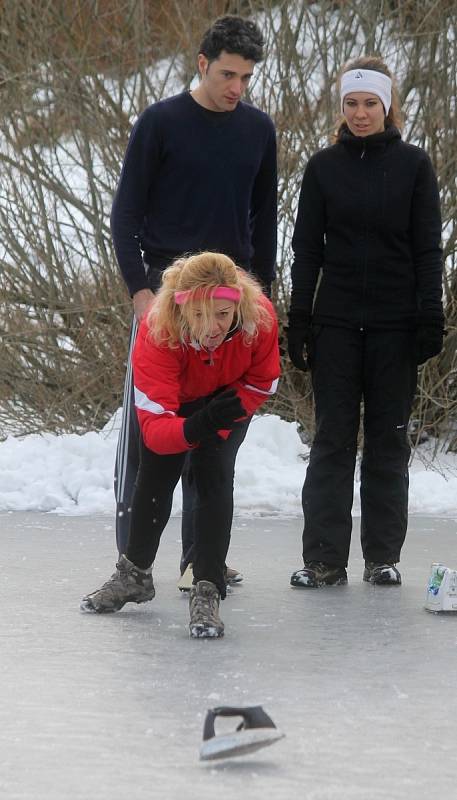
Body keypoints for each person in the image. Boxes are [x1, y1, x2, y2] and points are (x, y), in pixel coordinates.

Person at [110, 15, 277, 589]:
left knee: (215, 442)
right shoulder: (160, 123)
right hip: (167, 304)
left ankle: (199, 559)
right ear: (202, 64)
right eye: (228, 73)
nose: (237, 87)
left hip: (232, 308)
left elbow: (265, 220)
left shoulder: (258, 129)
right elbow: (125, 215)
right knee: (151, 439)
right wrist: (140, 294)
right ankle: (134, 563)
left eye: (246, 77)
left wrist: (262, 301)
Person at [287, 56, 444, 588]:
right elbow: (306, 249)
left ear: (387, 105)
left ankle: (382, 556)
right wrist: (299, 318)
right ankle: (324, 559)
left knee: (388, 439)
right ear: (341, 108)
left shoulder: (414, 166)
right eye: (351, 104)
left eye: (369, 103)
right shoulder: (322, 168)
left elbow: (428, 248)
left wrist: (431, 313)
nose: (360, 113)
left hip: (395, 326)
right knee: (332, 439)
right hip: (334, 323)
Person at [81, 252, 280, 637]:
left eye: (222, 314)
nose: (212, 328)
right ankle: (134, 575)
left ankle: (207, 588)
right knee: (156, 470)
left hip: (228, 398)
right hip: (176, 402)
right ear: (181, 307)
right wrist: (196, 425)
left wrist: (219, 422)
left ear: (237, 303)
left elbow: (264, 379)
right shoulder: (158, 329)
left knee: (213, 472)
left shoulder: (260, 317)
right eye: (201, 315)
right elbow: (156, 431)